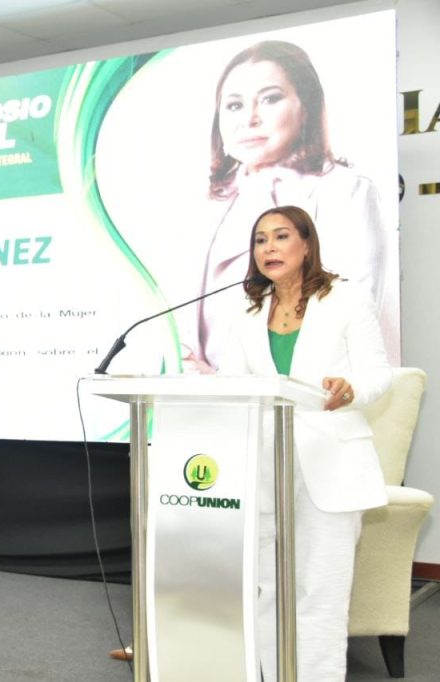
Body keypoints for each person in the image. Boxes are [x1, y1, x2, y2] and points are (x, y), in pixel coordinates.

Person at [219, 205, 390, 681]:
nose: (268, 248)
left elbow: (379, 373)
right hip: (264, 468)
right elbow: (232, 384)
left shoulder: (346, 300)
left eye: (280, 236)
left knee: (321, 593)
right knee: (266, 587)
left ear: (307, 244)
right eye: (259, 240)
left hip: (331, 464)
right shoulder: (248, 312)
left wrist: (353, 389)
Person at [193, 40, 387, 371]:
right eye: (235, 105)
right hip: (218, 406)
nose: (250, 119)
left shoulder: (346, 191)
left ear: (306, 106)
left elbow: (352, 313)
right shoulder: (210, 204)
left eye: (269, 99)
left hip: (313, 401)